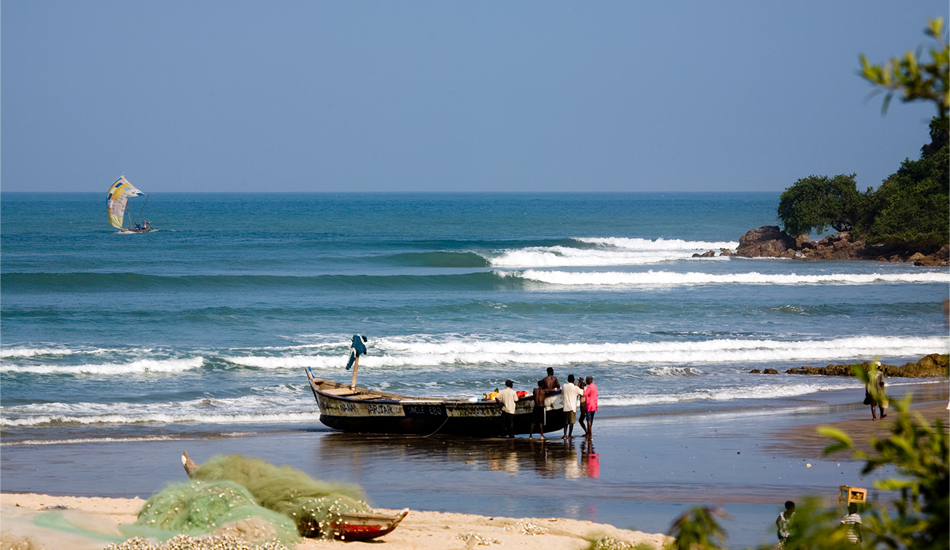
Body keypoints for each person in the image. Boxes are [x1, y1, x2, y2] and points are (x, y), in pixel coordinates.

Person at [560, 374, 584, 439]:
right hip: (572, 407)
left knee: (565, 422)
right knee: (571, 422)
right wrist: (581, 382)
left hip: (565, 406)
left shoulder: (564, 386)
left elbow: (562, 393)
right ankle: (570, 435)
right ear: (573, 380)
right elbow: (582, 393)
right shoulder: (575, 388)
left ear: (568, 380)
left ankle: (565, 435)